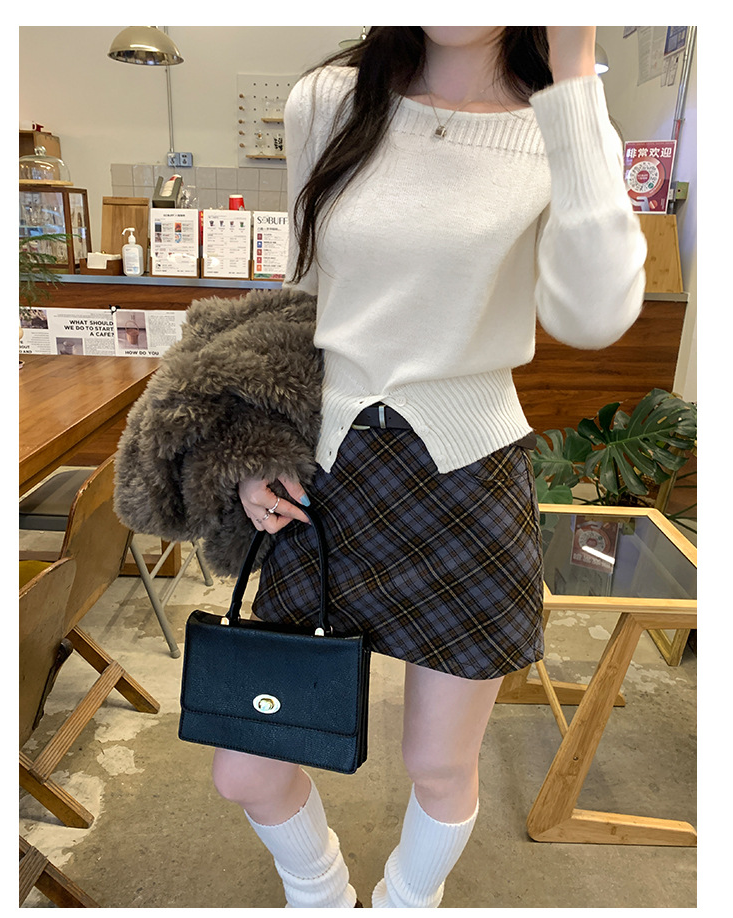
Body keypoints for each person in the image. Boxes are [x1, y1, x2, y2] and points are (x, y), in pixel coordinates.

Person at [211, 26, 647, 908]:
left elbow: (594, 315)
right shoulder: (329, 100)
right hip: (323, 480)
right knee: (246, 767)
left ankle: (407, 903)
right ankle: (320, 893)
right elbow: (300, 292)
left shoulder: (564, 118)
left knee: (439, 763)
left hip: (467, 482)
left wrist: (573, 75)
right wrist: (260, 445)